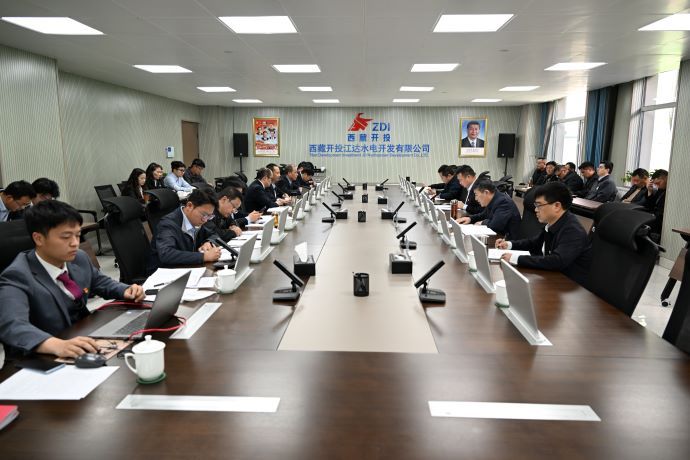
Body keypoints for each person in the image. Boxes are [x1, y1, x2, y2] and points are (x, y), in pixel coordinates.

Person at [0, 200, 144, 358]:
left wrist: (126, 290)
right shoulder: (17, 275)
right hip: (46, 356)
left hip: (85, 337)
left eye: (77, 235)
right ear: (38, 238)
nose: (75, 243)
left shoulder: (78, 258)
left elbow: (100, 282)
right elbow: (13, 325)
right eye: (66, 237)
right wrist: (55, 345)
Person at [496, 182, 592, 285]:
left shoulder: (573, 231)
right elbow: (534, 243)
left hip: (569, 286)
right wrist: (509, 244)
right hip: (551, 277)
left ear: (557, 206)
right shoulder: (552, 224)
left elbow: (556, 261)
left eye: (539, 205)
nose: (535, 210)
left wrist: (516, 259)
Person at [147, 188, 221, 274]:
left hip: (186, 269)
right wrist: (204, 256)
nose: (205, 220)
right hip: (163, 274)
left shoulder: (196, 221)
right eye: (204, 215)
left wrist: (209, 242)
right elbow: (166, 254)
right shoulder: (168, 224)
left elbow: (214, 235)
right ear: (189, 206)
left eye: (209, 216)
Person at [456, 181, 521, 238]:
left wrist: (482, 222)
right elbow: (484, 214)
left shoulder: (503, 202)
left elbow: (495, 225)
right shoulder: (494, 198)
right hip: (500, 237)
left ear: (486, 192)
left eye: (476, 195)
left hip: (508, 241)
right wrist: (470, 218)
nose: (476, 199)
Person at [641, 169, 667, 240]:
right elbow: (650, 206)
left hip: (660, 219)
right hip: (654, 216)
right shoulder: (660, 189)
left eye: (658, 183)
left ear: (665, 178)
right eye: (656, 184)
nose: (657, 186)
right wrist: (649, 191)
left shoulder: (670, 191)